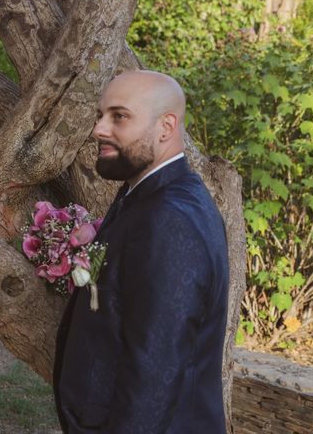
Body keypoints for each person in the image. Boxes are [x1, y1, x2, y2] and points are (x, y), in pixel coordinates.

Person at [54, 70, 229, 433]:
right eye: (100, 115)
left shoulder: (169, 218)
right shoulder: (148, 195)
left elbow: (156, 368)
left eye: (119, 116)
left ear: (166, 127)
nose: (99, 129)